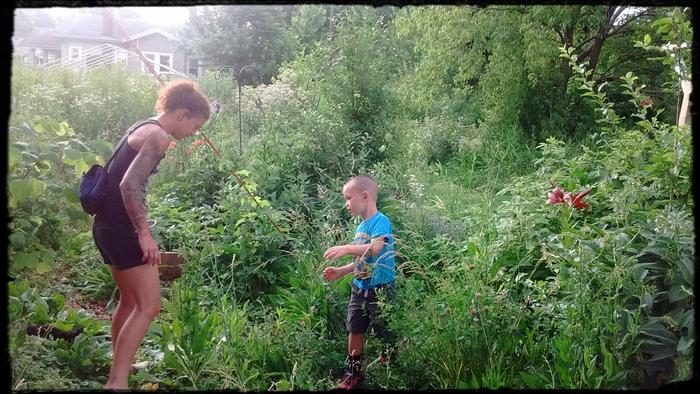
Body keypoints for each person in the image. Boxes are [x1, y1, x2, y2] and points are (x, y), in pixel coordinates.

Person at [92, 80, 211, 390]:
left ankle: (121, 364)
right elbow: (129, 185)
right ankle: (117, 382)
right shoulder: (158, 136)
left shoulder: (144, 125)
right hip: (123, 230)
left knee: (130, 302)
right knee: (149, 306)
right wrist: (144, 234)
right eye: (195, 125)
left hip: (106, 226)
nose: (193, 133)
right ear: (184, 113)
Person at [323, 175, 397, 390]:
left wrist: (345, 248)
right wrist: (342, 271)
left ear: (365, 196)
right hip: (359, 287)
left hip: (381, 289)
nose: (346, 204)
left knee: (384, 328)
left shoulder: (381, 221)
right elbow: (362, 260)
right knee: (355, 328)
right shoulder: (359, 228)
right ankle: (354, 372)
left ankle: (390, 360)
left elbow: (375, 249)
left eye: (348, 198)